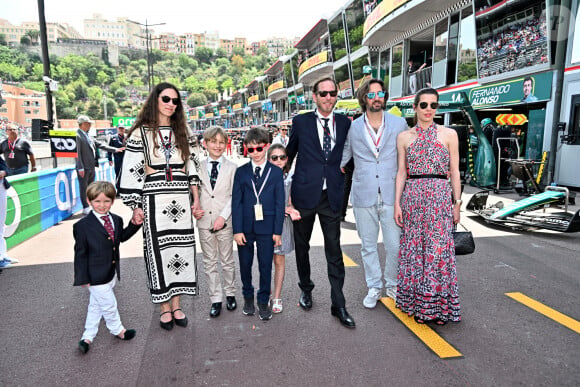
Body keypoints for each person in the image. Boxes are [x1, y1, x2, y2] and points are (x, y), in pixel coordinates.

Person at [119, 82, 201, 331]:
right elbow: (133, 169)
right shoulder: (140, 133)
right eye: (166, 99)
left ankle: (177, 305)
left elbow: (192, 166)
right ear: (155, 100)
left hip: (181, 200)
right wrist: (135, 206)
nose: (170, 104)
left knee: (181, 251)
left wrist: (196, 198)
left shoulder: (183, 131)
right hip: (153, 201)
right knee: (158, 253)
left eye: (175, 101)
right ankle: (164, 308)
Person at [286, 77, 355, 328]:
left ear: (337, 96)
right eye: (323, 93)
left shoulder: (347, 123)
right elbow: (289, 155)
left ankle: (339, 304)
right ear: (314, 96)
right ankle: (306, 289)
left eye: (332, 93)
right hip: (303, 195)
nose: (328, 97)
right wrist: (278, 189)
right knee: (302, 248)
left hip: (331, 196)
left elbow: (353, 154)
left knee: (334, 251)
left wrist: (345, 170)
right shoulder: (300, 122)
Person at [394, 88, 462, 325]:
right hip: (413, 198)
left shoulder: (449, 134)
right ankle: (416, 304)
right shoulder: (404, 137)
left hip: (440, 198)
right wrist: (397, 204)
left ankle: (438, 308)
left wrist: (457, 203)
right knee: (415, 252)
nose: (429, 110)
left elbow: (454, 171)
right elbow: (401, 173)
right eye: (423, 105)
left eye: (433, 105)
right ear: (415, 107)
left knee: (437, 253)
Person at [341, 79, 408, 308]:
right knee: (368, 246)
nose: (376, 98)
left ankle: (392, 285)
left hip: (392, 194)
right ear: (364, 98)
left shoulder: (399, 124)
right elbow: (344, 156)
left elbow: (409, 155)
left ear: (385, 97)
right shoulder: (353, 127)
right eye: (371, 95)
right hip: (363, 193)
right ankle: (373, 287)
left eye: (380, 94)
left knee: (395, 245)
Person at [73, 181, 141, 354]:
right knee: (109, 305)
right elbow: (80, 254)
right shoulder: (82, 226)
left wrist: (134, 224)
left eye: (106, 201)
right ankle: (118, 330)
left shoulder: (116, 220)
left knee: (96, 306)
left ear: (112, 201)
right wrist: (82, 277)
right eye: (97, 201)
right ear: (89, 201)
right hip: (94, 276)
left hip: (111, 272)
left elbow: (121, 238)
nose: (102, 205)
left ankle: (87, 337)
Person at [232, 127, 284, 321]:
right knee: (245, 265)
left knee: (265, 266)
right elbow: (236, 203)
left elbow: (280, 204)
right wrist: (237, 230)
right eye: (251, 149)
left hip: (268, 227)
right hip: (245, 228)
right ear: (246, 148)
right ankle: (247, 297)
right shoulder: (241, 172)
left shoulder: (276, 173)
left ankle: (263, 301)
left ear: (267, 147)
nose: (255, 153)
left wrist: (277, 231)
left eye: (259, 149)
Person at [194, 126, 237, 318]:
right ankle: (216, 298)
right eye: (213, 141)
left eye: (221, 142)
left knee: (227, 260)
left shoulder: (232, 167)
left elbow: (234, 197)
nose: (217, 146)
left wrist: (223, 217)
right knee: (209, 262)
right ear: (205, 144)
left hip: (225, 221)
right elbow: (193, 193)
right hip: (204, 222)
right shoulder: (197, 166)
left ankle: (230, 293)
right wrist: (194, 208)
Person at [267, 143, 301, 313]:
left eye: (282, 157)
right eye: (274, 157)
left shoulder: (290, 178)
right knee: (265, 261)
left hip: (283, 225)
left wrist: (293, 210)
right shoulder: (262, 177)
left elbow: (290, 201)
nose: (279, 160)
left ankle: (277, 297)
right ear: (268, 159)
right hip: (265, 223)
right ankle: (265, 293)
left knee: (279, 260)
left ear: (287, 159)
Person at [76, 115, 123, 215]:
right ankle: (85, 206)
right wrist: (80, 167)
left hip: (91, 166)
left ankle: (89, 205)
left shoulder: (88, 135)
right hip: (84, 167)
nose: (90, 126)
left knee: (90, 188)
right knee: (83, 187)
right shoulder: (77, 136)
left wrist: (115, 150)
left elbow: (101, 145)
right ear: (83, 124)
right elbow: (77, 153)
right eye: (88, 124)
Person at [0, 155, 17, 270]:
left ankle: (2, 255)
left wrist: (3, 172)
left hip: (1, 187)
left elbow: (5, 167)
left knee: (1, 222)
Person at [107, 125, 126, 192]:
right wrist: (109, 159)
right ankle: (118, 190)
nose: (121, 130)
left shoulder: (127, 137)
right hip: (117, 159)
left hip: (126, 159)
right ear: (117, 129)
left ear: (124, 129)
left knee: (126, 175)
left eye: (122, 128)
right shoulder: (113, 137)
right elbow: (109, 148)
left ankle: (126, 190)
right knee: (118, 174)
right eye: (120, 128)